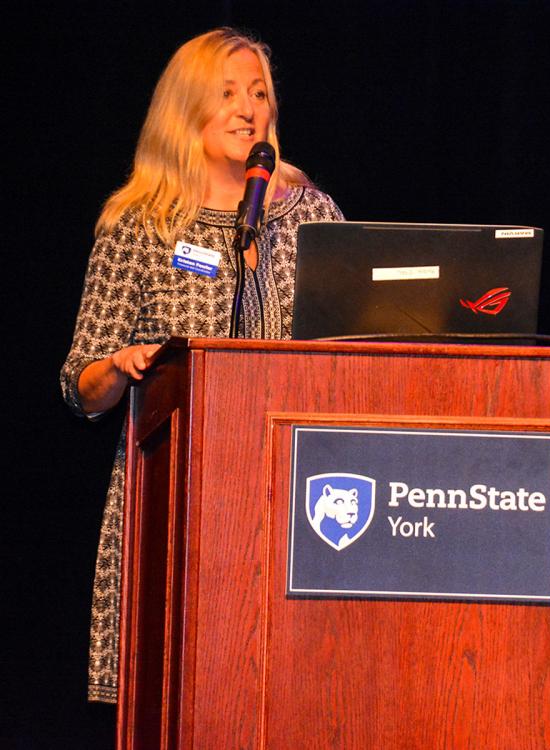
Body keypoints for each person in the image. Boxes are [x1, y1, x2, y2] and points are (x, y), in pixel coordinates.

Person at [60, 27, 344, 703]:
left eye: (259, 94)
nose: (249, 110)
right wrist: (123, 366)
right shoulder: (142, 223)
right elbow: (80, 385)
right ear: (187, 109)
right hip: (178, 495)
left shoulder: (313, 216)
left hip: (294, 498)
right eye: (228, 95)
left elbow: (349, 352)